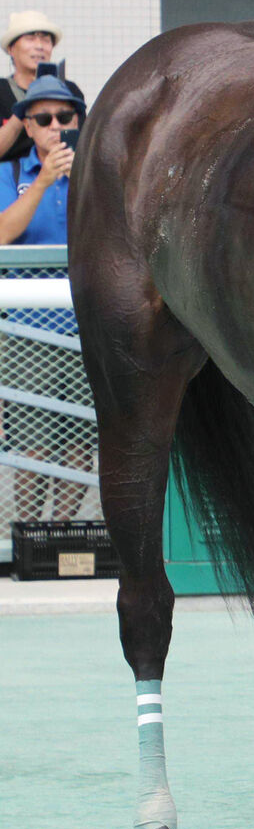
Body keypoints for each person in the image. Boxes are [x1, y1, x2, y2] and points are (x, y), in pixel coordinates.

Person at [0, 70, 91, 518]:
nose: (56, 126)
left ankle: (63, 536)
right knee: (31, 443)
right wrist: (42, 182)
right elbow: (1, 234)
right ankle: (31, 537)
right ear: (28, 125)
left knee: (79, 439)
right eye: (44, 118)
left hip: (85, 327)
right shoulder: (10, 172)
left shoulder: (96, 174)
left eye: (65, 116)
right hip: (26, 332)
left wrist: (80, 183)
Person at [0, 10, 84, 163]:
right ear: (11, 49)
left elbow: (81, 145)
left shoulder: (69, 91)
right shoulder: (2, 90)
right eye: (30, 39)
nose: (39, 46)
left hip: (62, 177)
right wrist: (26, 107)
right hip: (9, 182)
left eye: (46, 40)